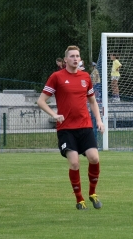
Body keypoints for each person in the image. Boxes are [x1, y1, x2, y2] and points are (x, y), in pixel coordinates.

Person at [37, 45, 105, 210]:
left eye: (77, 56)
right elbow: (41, 101)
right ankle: (79, 199)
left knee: (94, 158)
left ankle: (93, 194)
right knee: (74, 163)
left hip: (85, 126)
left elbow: (92, 101)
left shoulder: (85, 77)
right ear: (65, 60)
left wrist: (99, 120)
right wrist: (54, 115)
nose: (75, 59)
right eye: (72, 56)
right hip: (66, 128)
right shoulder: (57, 77)